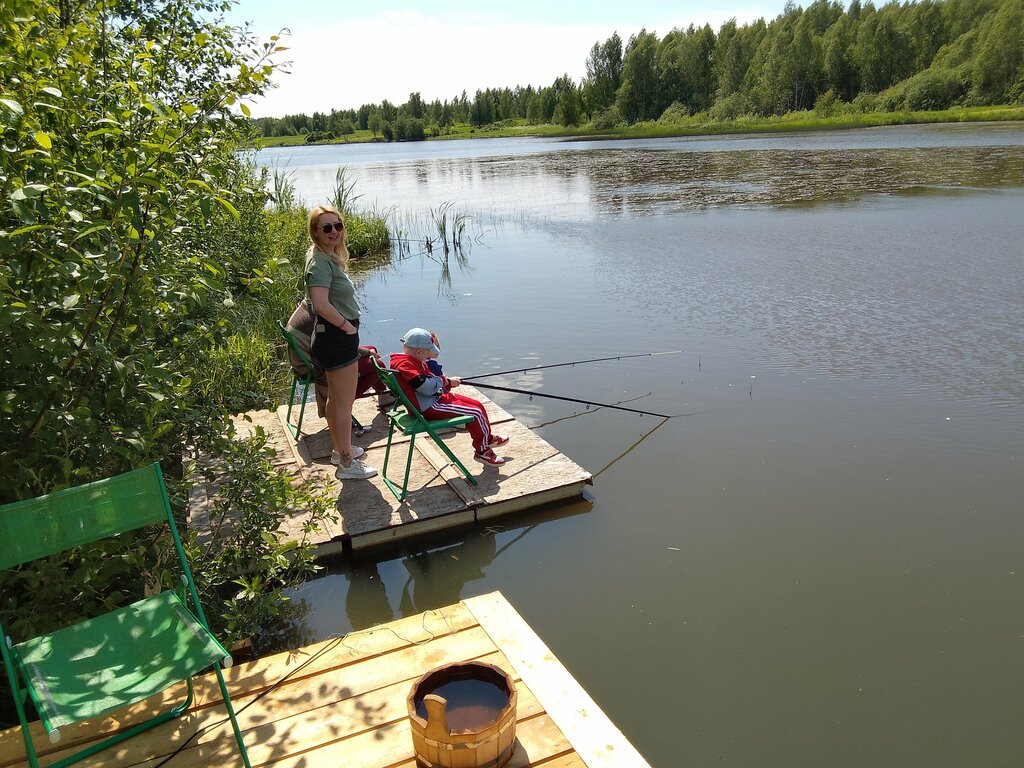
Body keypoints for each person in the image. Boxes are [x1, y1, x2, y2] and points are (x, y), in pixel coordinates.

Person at [303, 204, 377, 480]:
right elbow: (320, 304)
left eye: (338, 225)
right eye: (327, 227)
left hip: (332, 337)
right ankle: (348, 465)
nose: (334, 231)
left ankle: (339, 451)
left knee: (336, 401)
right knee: (344, 404)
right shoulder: (320, 263)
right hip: (335, 337)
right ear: (315, 232)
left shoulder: (325, 257)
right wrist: (346, 327)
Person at [389, 327, 510, 466]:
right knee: (475, 413)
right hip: (429, 407)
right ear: (418, 351)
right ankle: (482, 452)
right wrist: (442, 381)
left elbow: (428, 382)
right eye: (427, 353)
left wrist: (447, 383)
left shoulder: (408, 360)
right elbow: (424, 386)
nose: (428, 357)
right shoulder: (406, 364)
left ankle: (486, 439)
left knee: (477, 405)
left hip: (432, 399)